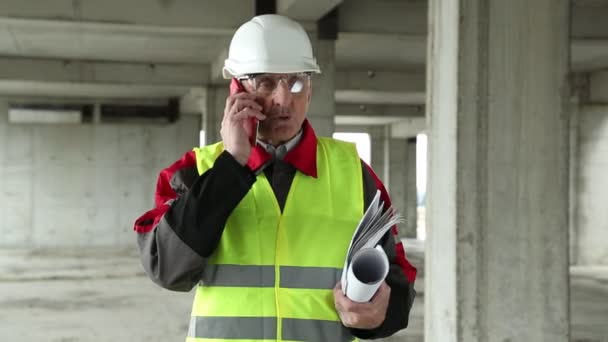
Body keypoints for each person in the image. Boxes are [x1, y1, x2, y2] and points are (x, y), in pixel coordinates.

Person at [134, 14, 416, 342]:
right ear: (236, 89)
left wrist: (379, 314)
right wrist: (232, 165)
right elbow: (167, 269)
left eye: (296, 82)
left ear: (309, 90)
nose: (284, 99)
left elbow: (398, 282)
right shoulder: (194, 171)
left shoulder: (354, 174)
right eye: (266, 82)